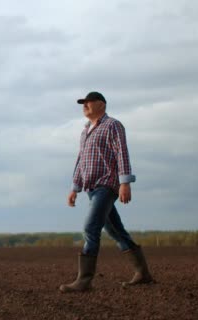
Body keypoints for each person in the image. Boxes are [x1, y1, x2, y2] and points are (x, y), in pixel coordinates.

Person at [60, 91, 155, 293]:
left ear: (101, 104)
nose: (84, 105)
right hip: (91, 188)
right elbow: (81, 161)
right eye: (82, 103)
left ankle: (84, 280)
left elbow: (122, 153)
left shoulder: (113, 125)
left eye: (88, 102)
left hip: (107, 185)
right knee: (115, 230)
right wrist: (74, 188)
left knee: (90, 227)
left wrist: (125, 182)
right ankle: (143, 273)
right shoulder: (85, 131)